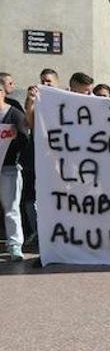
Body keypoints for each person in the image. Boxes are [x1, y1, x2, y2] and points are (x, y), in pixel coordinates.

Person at [0, 84, 29, 261]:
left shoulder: (15, 114)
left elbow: (25, 139)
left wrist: (13, 140)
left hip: (9, 168)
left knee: (11, 209)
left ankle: (15, 246)